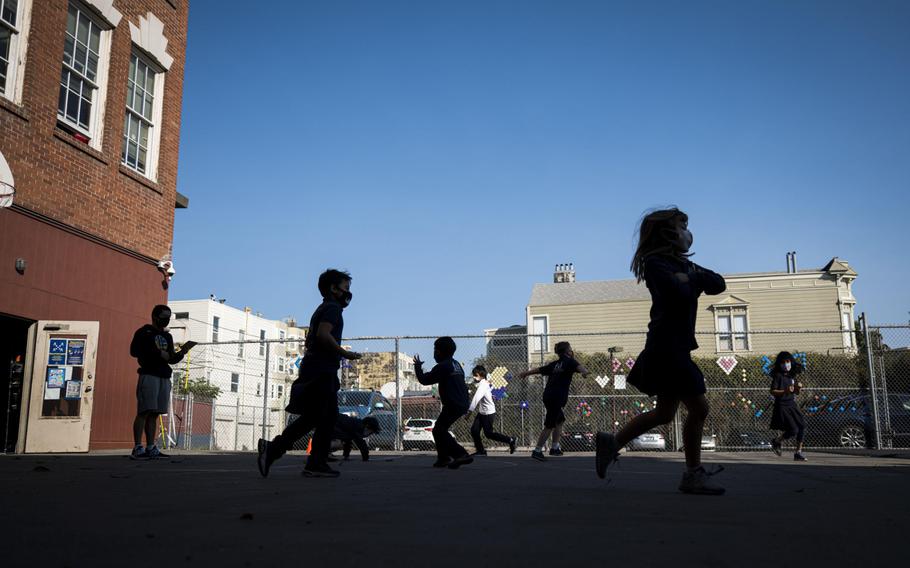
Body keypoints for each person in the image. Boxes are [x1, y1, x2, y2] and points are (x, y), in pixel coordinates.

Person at [594, 208, 728, 495]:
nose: (687, 233)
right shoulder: (656, 262)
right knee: (699, 408)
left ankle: (612, 443)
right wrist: (691, 279)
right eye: (682, 226)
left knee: (665, 413)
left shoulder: (684, 266)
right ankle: (692, 474)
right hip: (667, 346)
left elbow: (718, 283)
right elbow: (672, 288)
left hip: (676, 346)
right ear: (667, 233)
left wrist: (689, 277)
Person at [257, 269, 362, 478]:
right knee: (327, 417)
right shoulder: (332, 308)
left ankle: (275, 449)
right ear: (333, 288)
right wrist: (344, 354)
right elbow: (324, 335)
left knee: (314, 417)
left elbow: (314, 339)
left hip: (314, 368)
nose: (348, 293)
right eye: (345, 288)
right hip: (322, 371)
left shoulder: (321, 308)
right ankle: (315, 463)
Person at [129, 305, 196, 459]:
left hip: (164, 376)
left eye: (168, 316)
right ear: (154, 316)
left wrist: (183, 352)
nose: (165, 320)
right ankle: (138, 447)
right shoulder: (144, 332)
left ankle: (151, 447)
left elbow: (171, 359)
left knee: (155, 413)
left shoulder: (168, 337)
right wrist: (157, 352)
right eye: (163, 316)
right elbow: (133, 351)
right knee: (144, 411)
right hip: (149, 374)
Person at [517, 341, 589, 461]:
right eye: (570, 349)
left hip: (548, 395)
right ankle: (537, 450)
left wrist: (526, 373)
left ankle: (555, 448)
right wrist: (585, 372)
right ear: (567, 351)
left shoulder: (555, 364)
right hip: (556, 397)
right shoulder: (570, 361)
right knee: (549, 425)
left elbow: (539, 370)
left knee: (559, 420)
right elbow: (580, 368)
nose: (572, 351)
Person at [415, 337, 473, 469]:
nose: (434, 353)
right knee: (439, 430)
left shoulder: (443, 366)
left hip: (453, 403)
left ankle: (461, 454)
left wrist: (418, 367)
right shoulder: (455, 364)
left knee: (439, 430)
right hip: (461, 402)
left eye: (435, 350)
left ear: (439, 352)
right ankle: (443, 458)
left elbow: (424, 380)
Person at [466, 365, 516, 456]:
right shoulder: (483, 383)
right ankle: (481, 451)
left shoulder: (483, 385)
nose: (473, 377)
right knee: (474, 430)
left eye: (475, 375)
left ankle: (511, 440)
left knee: (488, 434)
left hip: (488, 413)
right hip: (482, 412)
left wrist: (469, 412)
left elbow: (476, 399)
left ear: (479, 375)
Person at [768, 351, 807, 461]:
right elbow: (773, 391)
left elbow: (796, 392)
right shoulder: (778, 376)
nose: (786, 364)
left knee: (802, 426)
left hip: (792, 405)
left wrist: (798, 388)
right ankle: (777, 441)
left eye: (788, 361)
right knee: (793, 430)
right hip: (782, 406)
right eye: (783, 362)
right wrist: (784, 391)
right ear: (780, 364)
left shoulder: (792, 376)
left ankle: (798, 452)